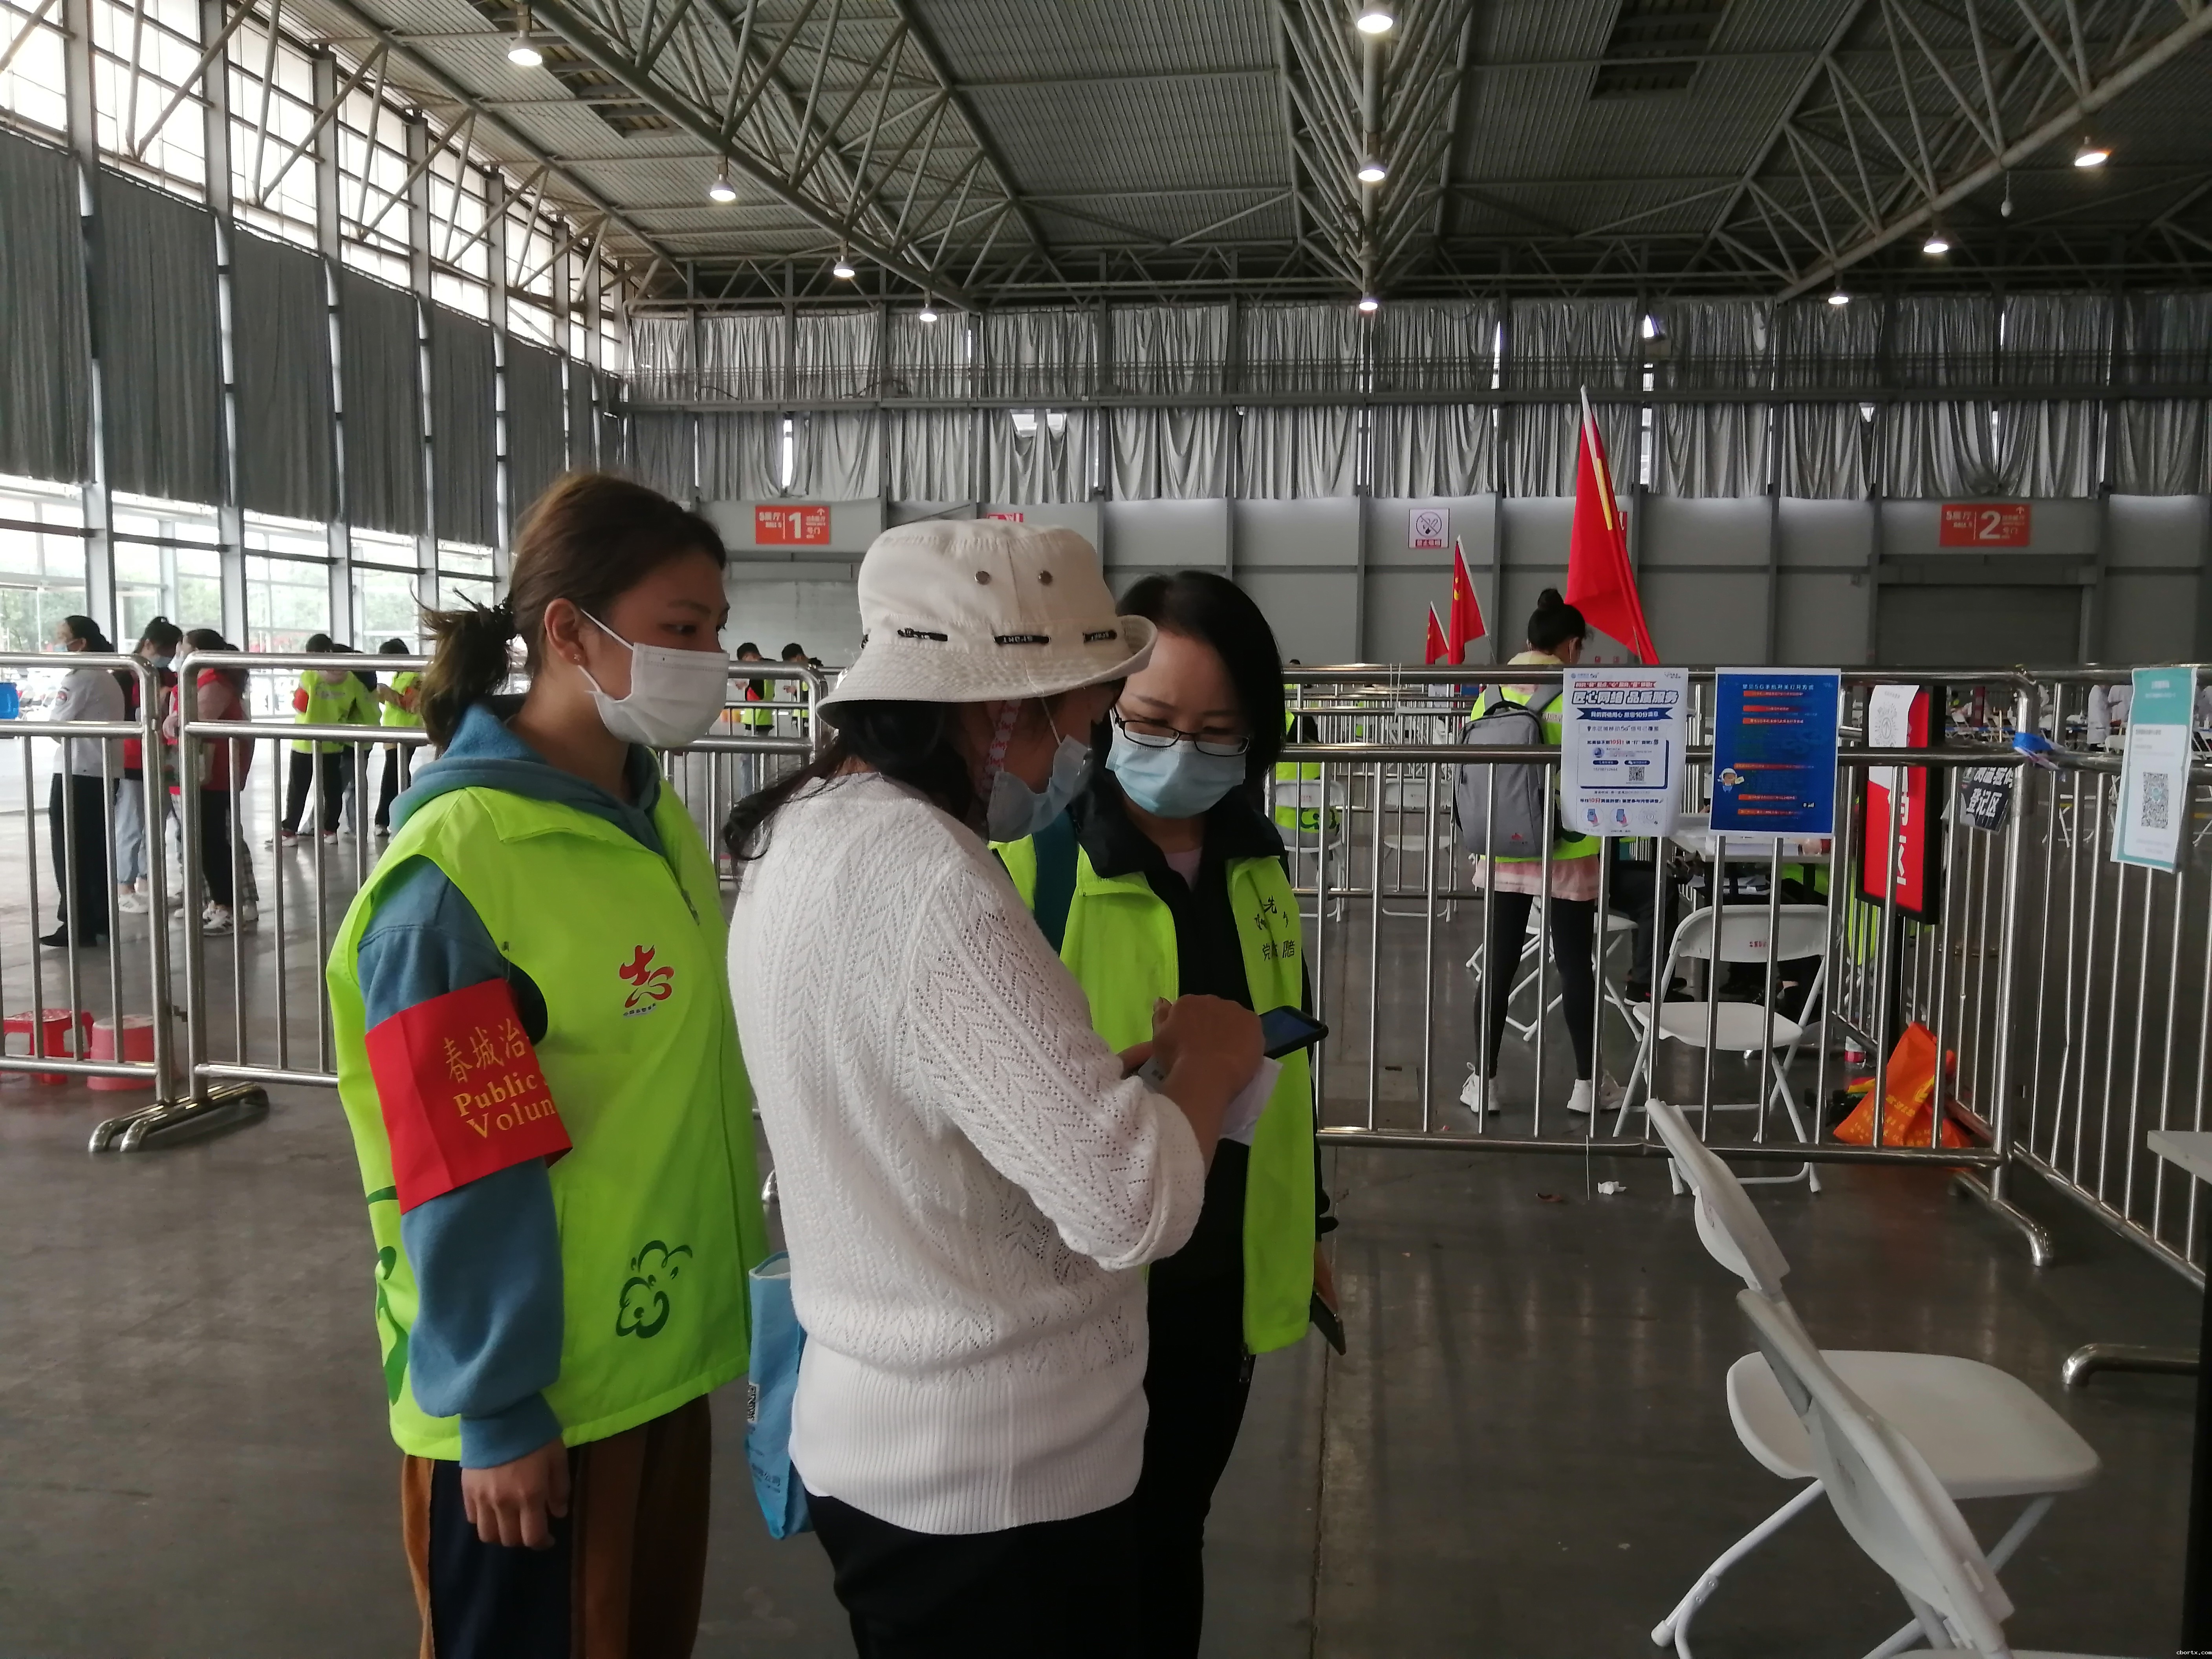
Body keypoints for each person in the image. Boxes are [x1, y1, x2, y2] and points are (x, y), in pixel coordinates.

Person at [723, 519, 1263, 1659]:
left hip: (883, 1436)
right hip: (993, 1478)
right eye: (1085, 718)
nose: (1085, 752)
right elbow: (1131, 1205)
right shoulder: (935, 885)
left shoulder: (802, 836)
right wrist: (1212, 1069)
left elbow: (906, 1104)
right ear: (1002, 709)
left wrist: (1083, 1094)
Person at [324, 472, 767, 1659]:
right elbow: (462, 1160)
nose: (710, 659)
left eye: (716, 628)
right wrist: (500, 1406)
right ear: (569, 631)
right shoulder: (457, 878)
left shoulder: (643, 814)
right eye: (682, 627)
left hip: (648, 1360)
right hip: (537, 1407)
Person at [995, 570, 1331, 1657]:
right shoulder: (1036, 867)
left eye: (1217, 730)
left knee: (1173, 1530)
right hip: (1084, 1286)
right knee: (1083, 1561)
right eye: (1149, 720)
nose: (1182, 752)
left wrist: (1308, 1227)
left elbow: (1284, 1052)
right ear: (1102, 706)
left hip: (1217, 1274)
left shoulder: (1257, 863)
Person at [1461, 589, 1622, 1117]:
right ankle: (1588, 1085)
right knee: (1575, 964)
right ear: (1571, 645)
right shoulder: (1579, 694)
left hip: (1502, 845)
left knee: (1499, 964)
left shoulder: (1488, 693)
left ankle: (1483, 1082)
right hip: (1567, 848)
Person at [164, 628, 254, 935]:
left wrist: (172, 720)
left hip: (210, 772)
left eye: (184, 647)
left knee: (210, 838)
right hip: (192, 767)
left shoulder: (215, 679)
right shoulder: (196, 678)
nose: (179, 652)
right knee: (199, 837)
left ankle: (228, 906)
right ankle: (216, 902)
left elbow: (197, 719)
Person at [115, 617, 181, 916]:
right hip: (132, 760)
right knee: (132, 825)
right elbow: (123, 716)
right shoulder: (124, 674)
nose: (168, 656)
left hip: (163, 759)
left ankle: (147, 883)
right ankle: (124, 887)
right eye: (166, 650)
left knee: (156, 826)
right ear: (150, 644)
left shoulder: (168, 675)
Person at [281, 637, 377, 843]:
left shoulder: (310, 676)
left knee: (299, 788)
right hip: (333, 742)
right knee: (332, 789)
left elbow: (300, 705)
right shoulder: (352, 681)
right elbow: (355, 709)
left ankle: (289, 831)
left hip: (305, 741)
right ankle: (330, 830)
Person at [372, 637, 424, 835]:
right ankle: (404, 813)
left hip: (406, 733)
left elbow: (410, 705)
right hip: (393, 734)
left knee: (392, 776)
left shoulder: (414, 677)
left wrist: (387, 693)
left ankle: (383, 819)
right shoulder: (399, 676)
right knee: (399, 774)